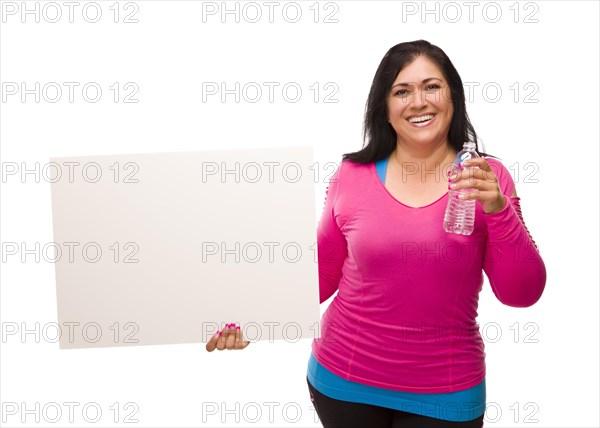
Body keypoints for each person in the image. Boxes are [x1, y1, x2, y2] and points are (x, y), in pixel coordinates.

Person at [205, 40, 547, 428]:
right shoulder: (352, 175)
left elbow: (523, 294)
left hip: (446, 392)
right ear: (384, 108)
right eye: (402, 91)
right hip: (342, 382)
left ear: (453, 96)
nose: (418, 101)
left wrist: (499, 210)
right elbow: (321, 274)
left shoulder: (487, 180)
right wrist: (251, 319)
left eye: (431, 86)